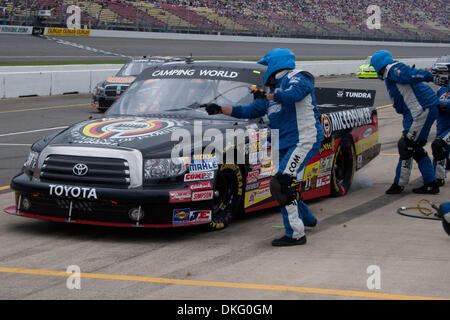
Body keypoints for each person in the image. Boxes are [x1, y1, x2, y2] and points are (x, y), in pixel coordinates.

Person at [202, 48, 324, 246]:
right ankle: (307, 218)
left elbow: (294, 95)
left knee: (282, 183)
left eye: (266, 66)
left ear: (275, 64)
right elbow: (249, 110)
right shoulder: (271, 91)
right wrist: (220, 109)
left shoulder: (299, 76)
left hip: (303, 139)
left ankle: (296, 234)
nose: (265, 70)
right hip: (281, 142)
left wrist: (268, 96)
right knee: (283, 185)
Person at [370, 50, 440, 194]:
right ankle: (431, 183)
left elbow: (410, 74)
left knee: (406, 145)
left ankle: (399, 184)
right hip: (419, 111)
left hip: (420, 110)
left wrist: (429, 76)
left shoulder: (392, 69)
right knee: (414, 147)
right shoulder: (392, 71)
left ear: (378, 65)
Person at [431, 62, 450, 186]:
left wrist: (445, 105)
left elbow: (442, 104)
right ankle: (437, 177)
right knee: (439, 151)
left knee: (439, 146)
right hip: (441, 127)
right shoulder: (441, 89)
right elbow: (434, 104)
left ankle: (439, 179)